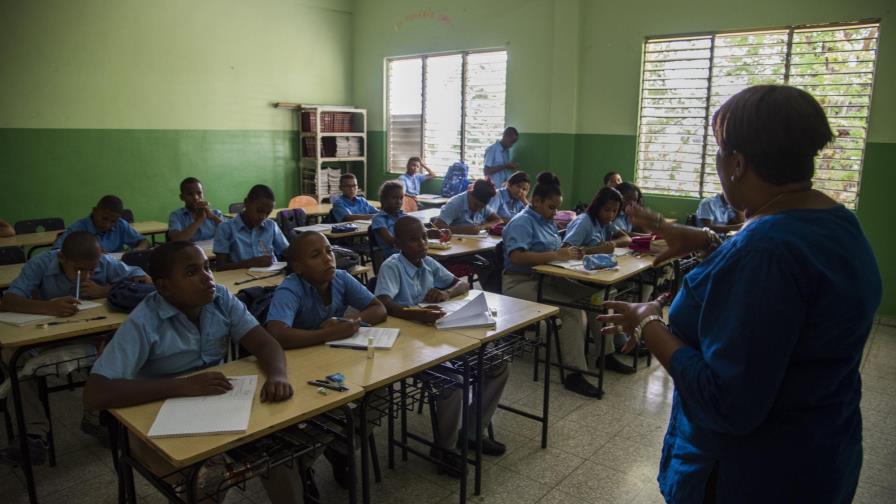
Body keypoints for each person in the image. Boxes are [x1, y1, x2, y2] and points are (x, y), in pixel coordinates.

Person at [598, 85, 881, 503]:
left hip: (753, 473)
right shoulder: (835, 221)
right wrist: (709, 241)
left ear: (737, 163)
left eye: (716, 151)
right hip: (820, 450)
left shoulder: (765, 252)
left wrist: (648, 321)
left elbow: (725, 401)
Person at [83, 241, 305, 503]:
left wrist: (278, 375)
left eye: (207, 267)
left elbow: (264, 343)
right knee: (206, 482)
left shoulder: (221, 298)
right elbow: (95, 394)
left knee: (279, 459)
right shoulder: (144, 321)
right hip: (152, 418)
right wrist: (183, 386)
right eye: (191, 272)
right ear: (163, 287)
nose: (207, 278)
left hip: (213, 404)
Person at [0, 231, 149, 465]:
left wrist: (105, 290)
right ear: (61, 258)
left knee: (120, 346)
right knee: (15, 359)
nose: (86, 275)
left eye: (92, 268)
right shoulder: (40, 263)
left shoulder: (106, 262)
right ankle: (34, 435)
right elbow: (8, 301)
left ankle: (98, 417)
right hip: (46, 335)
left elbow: (143, 279)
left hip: (88, 335)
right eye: (79, 269)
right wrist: (49, 307)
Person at [374, 216, 508, 473]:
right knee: (453, 381)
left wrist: (446, 293)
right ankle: (444, 448)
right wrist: (415, 313)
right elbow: (382, 302)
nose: (422, 243)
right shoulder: (392, 266)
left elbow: (461, 284)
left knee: (498, 364)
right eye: (413, 240)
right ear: (399, 243)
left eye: (424, 237)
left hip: (435, 336)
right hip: (406, 344)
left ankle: (471, 432)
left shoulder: (428, 263)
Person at [502, 172, 632, 399]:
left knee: (598, 297)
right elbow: (517, 257)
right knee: (572, 311)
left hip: (550, 277)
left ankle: (606, 353)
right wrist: (556, 254)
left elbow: (558, 253)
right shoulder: (521, 222)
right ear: (536, 201)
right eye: (551, 208)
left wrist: (566, 258)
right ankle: (573, 373)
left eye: (556, 208)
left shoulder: (546, 221)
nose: (555, 213)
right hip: (520, 281)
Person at [265, 232, 387, 348]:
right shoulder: (290, 289)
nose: (327, 258)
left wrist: (348, 322)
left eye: (329, 251)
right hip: (300, 356)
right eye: (315, 255)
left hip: (326, 349)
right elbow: (277, 334)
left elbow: (379, 308)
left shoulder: (341, 278)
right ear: (298, 267)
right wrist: (330, 333)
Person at [213, 184, 288, 271]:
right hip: (240, 281)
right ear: (246, 203)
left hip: (271, 276)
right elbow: (220, 267)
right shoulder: (225, 228)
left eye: (268, 213)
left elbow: (287, 252)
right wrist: (248, 263)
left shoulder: (271, 226)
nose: (262, 216)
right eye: (259, 211)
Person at [371, 181, 442, 261]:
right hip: (394, 259)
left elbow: (419, 232)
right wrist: (415, 238)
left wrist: (431, 232)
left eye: (401, 198)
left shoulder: (404, 216)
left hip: (412, 254)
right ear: (383, 199)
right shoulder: (379, 219)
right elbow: (392, 241)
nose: (398, 202)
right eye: (394, 198)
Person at [54, 195, 149, 252]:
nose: (107, 225)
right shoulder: (78, 228)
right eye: (104, 218)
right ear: (94, 211)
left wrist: (138, 250)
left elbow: (143, 242)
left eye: (113, 221)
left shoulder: (120, 224)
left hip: (116, 271)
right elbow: (56, 251)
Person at [562, 187, 625, 254]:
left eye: (615, 211)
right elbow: (565, 249)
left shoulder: (606, 222)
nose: (611, 215)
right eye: (607, 210)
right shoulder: (584, 223)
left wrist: (612, 243)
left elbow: (627, 238)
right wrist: (597, 249)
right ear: (597, 206)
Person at [433, 179, 501, 235]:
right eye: (475, 205)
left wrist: (482, 227)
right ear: (470, 194)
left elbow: (498, 220)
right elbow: (437, 227)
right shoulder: (455, 204)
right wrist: (463, 230)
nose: (477, 209)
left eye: (481, 207)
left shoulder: (481, 205)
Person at [167, 177, 224, 242]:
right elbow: (176, 240)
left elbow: (231, 233)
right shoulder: (176, 215)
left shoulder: (215, 213)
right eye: (190, 194)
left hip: (214, 250)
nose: (196, 198)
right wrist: (198, 221)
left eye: (199, 193)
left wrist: (213, 217)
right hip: (191, 251)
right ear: (182, 197)